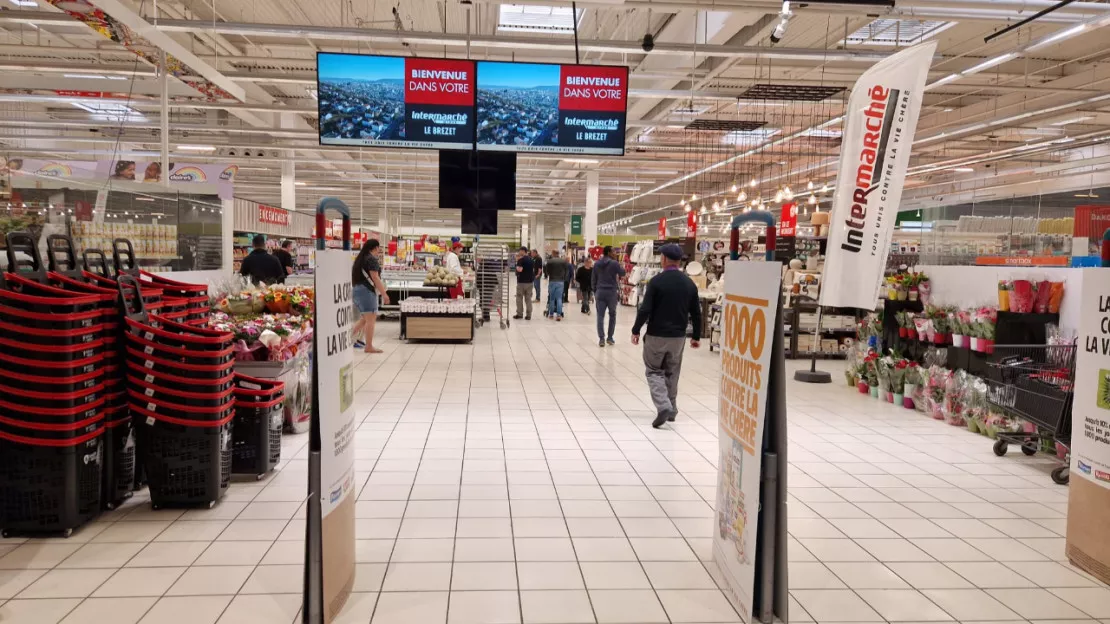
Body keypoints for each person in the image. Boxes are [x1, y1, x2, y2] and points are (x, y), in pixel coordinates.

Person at [631, 244, 701, 429]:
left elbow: (645, 309)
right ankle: (672, 409)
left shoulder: (656, 282)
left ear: (663, 259)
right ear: (679, 261)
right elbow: (696, 312)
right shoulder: (689, 284)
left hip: (656, 335)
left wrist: (636, 330)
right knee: (672, 372)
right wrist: (696, 336)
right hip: (678, 337)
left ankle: (663, 406)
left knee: (654, 370)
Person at [351, 239, 390, 353]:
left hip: (357, 290)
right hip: (366, 291)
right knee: (371, 319)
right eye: (379, 248)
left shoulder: (360, 259)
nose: (379, 251)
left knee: (364, 319)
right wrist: (384, 294)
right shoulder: (371, 259)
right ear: (375, 247)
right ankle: (369, 346)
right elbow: (375, 277)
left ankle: (344, 338)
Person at [591, 245, 626, 347]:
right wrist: (618, 262)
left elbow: (593, 278)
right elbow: (622, 273)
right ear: (609, 253)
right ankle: (610, 338)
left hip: (600, 291)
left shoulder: (597, 263)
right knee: (612, 315)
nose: (615, 253)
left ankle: (601, 339)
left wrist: (595, 290)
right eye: (614, 251)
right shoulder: (614, 263)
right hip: (611, 292)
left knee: (600, 316)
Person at [543, 252, 569, 321]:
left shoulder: (550, 261)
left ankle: (551, 314)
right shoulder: (564, 261)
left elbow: (546, 271)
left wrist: (549, 275)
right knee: (559, 299)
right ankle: (559, 315)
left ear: (553, 254)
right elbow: (567, 271)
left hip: (552, 281)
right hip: (560, 282)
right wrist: (564, 278)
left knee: (552, 298)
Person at [513, 246, 534, 320]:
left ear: (523, 251)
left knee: (519, 298)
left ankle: (519, 314)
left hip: (521, 282)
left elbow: (519, 270)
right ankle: (529, 315)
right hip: (530, 282)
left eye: (520, 251)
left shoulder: (521, 260)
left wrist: (517, 263)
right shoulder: (531, 260)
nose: (519, 252)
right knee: (528, 299)